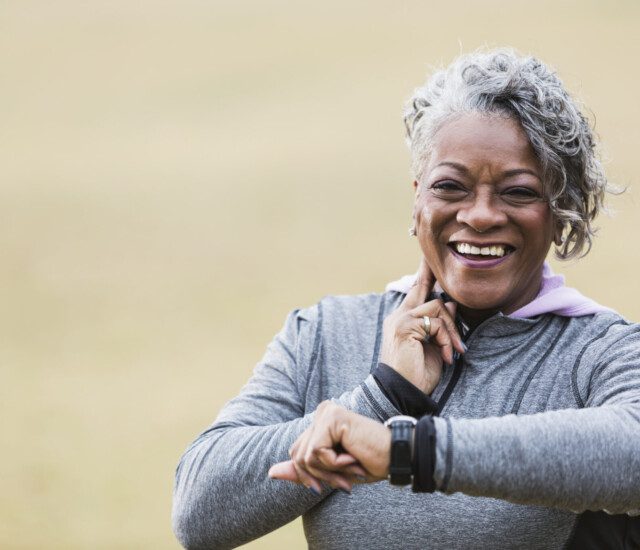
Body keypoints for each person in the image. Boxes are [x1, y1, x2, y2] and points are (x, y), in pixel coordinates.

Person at [171, 49, 640, 549]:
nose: (480, 216)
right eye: (450, 187)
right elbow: (199, 511)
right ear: (418, 200)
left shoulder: (600, 351)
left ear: (559, 210)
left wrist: (407, 451)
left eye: (518, 192)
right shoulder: (329, 332)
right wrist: (383, 395)